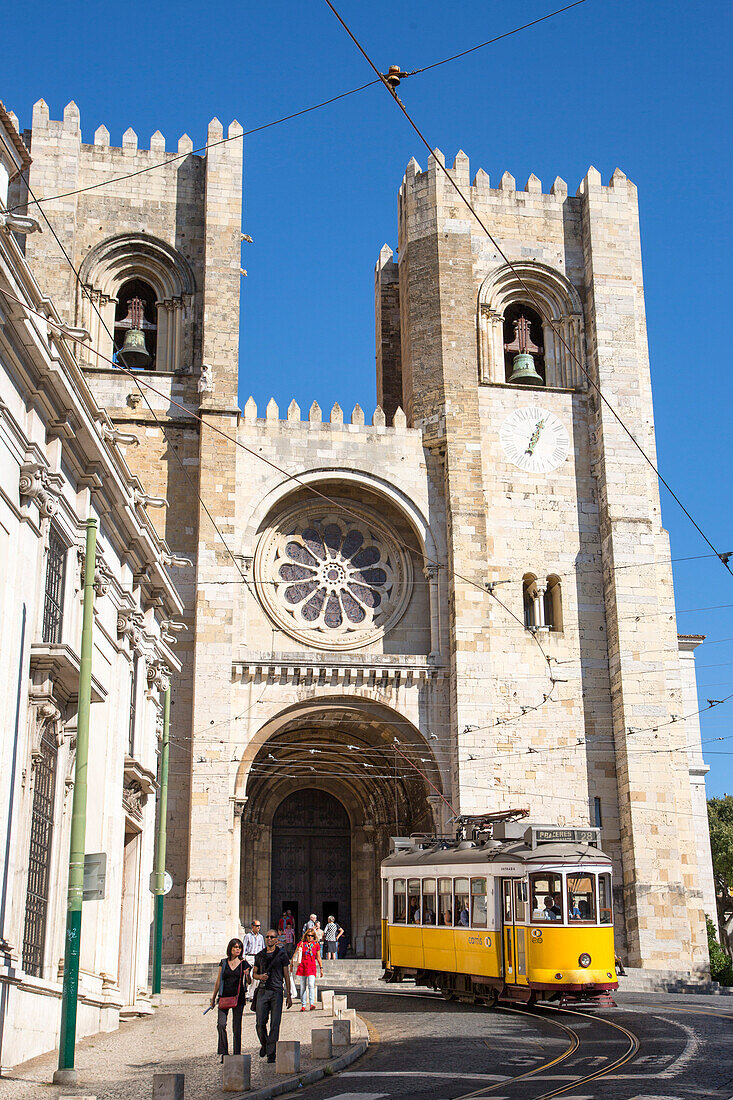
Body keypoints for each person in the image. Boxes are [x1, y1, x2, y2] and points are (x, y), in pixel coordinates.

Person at [253, 929, 293, 1063]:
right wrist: (260, 977)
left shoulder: (282, 955)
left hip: (277, 991)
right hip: (263, 991)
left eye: (272, 937)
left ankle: (271, 1054)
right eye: (267, 937)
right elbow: (254, 974)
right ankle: (265, 1045)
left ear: (277, 939)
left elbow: (286, 974)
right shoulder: (259, 955)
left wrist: (288, 994)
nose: (269, 939)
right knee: (259, 1023)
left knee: (275, 1024)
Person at [210, 938, 250, 1059]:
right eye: (235, 947)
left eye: (239, 947)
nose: (238, 949)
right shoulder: (223, 962)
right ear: (230, 949)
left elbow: (249, 982)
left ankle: (237, 1054)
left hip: (238, 998)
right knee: (221, 1024)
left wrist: (247, 975)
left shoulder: (244, 963)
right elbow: (218, 981)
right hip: (224, 996)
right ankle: (224, 1052)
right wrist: (213, 997)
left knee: (236, 1026)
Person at [294, 926, 323, 1010]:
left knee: (311, 984)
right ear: (306, 936)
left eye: (312, 936)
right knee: (303, 986)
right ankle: (303, 1005)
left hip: (311, 967)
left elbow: (318, 957)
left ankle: (311, 1003)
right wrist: (292, 964)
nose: (310, 937)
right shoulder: (302, 944)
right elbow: (295, 954)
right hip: (302, 966)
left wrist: (321, 968)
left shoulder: (316, 945)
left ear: (314, 936)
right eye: (308, 935)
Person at [242, 920, 265, 1000]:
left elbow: (262, 948)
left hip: (257, 958)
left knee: (255, 976)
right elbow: (244, 947)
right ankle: (248, 992)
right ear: (252, 926)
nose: (258, 927)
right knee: (249, 976)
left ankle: (251, 994)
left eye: (259, 926)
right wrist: (243, 958)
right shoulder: (247, 936)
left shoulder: (261, 937)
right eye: (257, 926)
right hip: (249, 957)